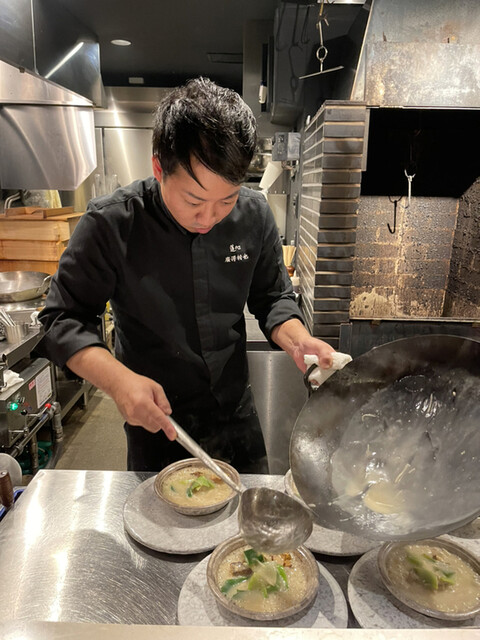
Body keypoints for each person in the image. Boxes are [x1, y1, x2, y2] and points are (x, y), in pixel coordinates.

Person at [37, 77, 334, 473]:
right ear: (158, 167)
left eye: (226, 200)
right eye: (194, 200)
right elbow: (63, 318)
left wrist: (298, 341)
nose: (209, 217)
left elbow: (273, 298)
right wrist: (118, 382)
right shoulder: (111, 224)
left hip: (235, 413)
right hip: (157, 421)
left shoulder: (254, 215)